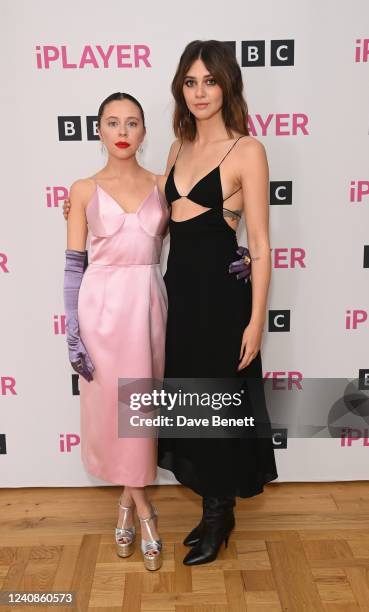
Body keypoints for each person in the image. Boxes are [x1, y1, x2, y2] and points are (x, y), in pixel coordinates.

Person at [156, 39, 278, 566]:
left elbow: (262, 244)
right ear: (180, 90)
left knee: (220, 409)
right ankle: (213, 507)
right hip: (179, 296)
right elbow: (155, 222)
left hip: (223, 303)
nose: (200, 92)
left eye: (209, 80)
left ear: (227, 84)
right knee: (190, 403)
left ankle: (217, 516)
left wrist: (256, 321)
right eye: (190, 82)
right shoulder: (176, 148)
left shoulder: (247, 150)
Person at [63, 92, 169, 571]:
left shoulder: (164, 184)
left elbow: (197, 237)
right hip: (101, 311)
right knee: (113, 413)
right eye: (112, 122)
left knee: (141, 413)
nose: (122, 131)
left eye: (132, 122)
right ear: (99, 131)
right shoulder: (83, 189)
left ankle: (128, 503)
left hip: (147, 306)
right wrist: (73, 330)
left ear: (145, 131)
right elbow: (73, 266)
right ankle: (142, 508)